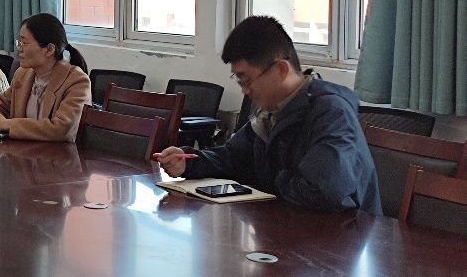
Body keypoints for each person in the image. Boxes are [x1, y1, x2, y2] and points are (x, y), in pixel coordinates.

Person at [154, 16, 381, 214]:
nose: (245, 91)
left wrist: (266, 176)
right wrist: (189, 162)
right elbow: (234, 157)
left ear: (281, 69)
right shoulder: (270, 110)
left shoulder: (331, 113)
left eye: (246, 80)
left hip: (344, 238)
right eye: (239, 81)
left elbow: (324, 192)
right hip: (289, 228)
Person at [0, 13, 91, 141]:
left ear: (49, 49)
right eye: (19, 42)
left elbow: (62, 129)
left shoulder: (77, 81)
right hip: (20, 150)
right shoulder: (22, 74)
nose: (19, 49)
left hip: (56, 153)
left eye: (24, 43)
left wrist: (6, 124)